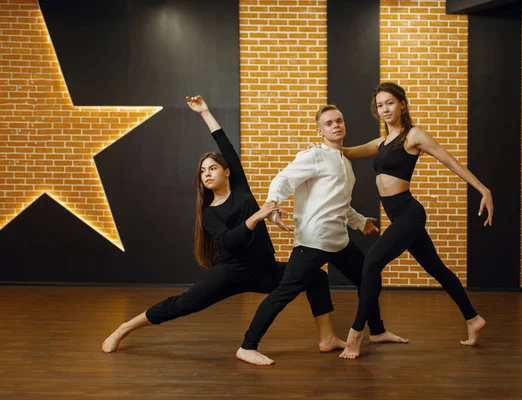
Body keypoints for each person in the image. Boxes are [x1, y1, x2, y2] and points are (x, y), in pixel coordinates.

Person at [102, 96, 342, 362]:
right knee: (182, 305)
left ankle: (327, 338)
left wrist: (205, 112)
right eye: (203, 171)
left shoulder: (240, 188)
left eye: (213, 168)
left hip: (265, 269)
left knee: (317, 278)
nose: (207, 174)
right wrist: (258, 216)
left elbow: (224, 143)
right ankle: (124, 328)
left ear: (227, 172)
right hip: (231, 273)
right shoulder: (210, 213)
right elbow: (230, 242)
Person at [236, 104, 407, 366]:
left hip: (338, 241)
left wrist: (360, 222)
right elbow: (282, 180)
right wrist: (272, 208)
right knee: (284, 293)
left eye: (339, 121)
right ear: (320, 130)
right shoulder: (313, 156)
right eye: (328, 123)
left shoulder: (345, 163)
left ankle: (377, 331)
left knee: (368, 278)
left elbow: (340, 204)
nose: (335, 125)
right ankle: (247, 346)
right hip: (313, 240)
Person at [338, 82, 493, 359]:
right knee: (437, 268)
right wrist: (328, 143)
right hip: (399, 215)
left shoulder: (413, 136)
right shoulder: (382, 142)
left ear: (402, 104)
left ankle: (356, 335)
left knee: (371, 262)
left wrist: (483, 189)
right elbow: (348, 151)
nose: (385, 109)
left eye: (390, 103)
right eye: (381, 105)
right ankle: (473, 318)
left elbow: (451, 162)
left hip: (409, 214)